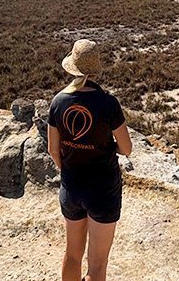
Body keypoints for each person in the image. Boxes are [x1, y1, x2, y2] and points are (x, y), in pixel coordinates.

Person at [47, 39, 133, 281]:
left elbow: (53, 150)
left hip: (72, 187)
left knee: (72, 255)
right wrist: (107, 147)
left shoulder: (58, 101)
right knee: (97, 265)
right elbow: (127, 149)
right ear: (95, 69)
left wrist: (71, 168)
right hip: (103, 190)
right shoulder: (108, 104)